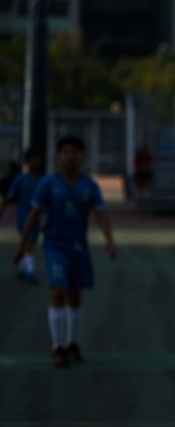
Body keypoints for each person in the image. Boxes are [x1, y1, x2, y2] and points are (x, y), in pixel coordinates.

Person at [13, 136, 116, 367]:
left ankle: (71, 343)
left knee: (75, 295)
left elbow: (100, 214)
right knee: (58, 289)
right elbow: (34, 215)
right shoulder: (49, 183)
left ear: (82, 157)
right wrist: (21, 245)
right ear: (59, 156)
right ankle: (57, 345)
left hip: (78, 247)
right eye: (66, 152)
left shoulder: (89, 185)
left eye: (75, 152)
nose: (71, 156)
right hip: (54, 245)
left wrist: (109, 240)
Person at [0, 148, 44, 282]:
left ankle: (22, 267)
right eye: (31, 159)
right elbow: (8, 197)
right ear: (26, 161)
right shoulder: (20, 179)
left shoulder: (43, 180)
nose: (34, 161)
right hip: (23, 216)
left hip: (36, 219)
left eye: (37, 158)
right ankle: (30, 271)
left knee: (30, 242)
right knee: (28, 242)